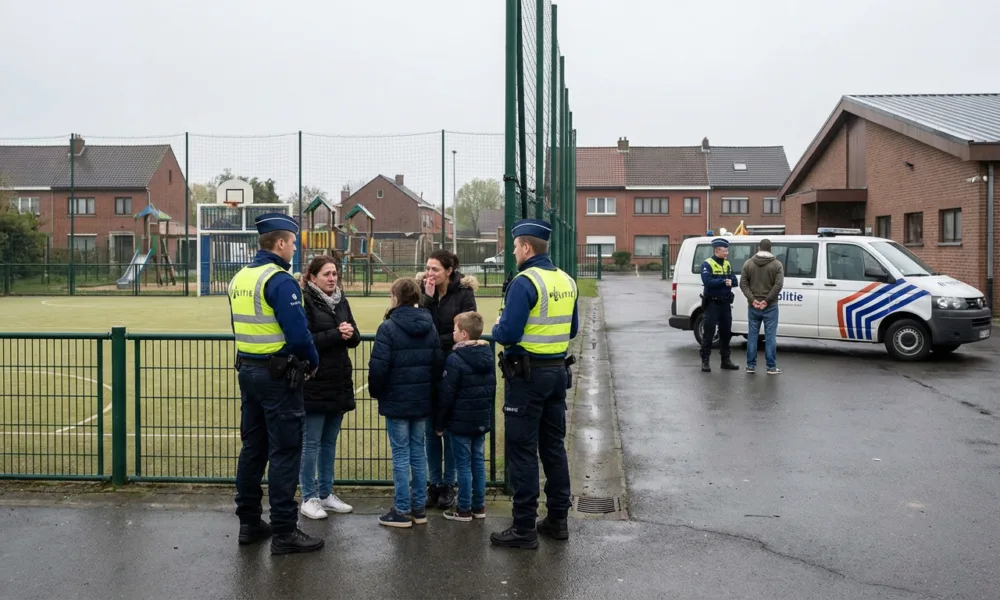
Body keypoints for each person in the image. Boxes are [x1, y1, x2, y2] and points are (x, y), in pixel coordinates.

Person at [229, 212, 323, 555]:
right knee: (285, 451)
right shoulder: (280, 280)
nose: (295, 248)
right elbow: (298, 334)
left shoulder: (240, 277)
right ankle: (284, 530)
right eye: (293, 242)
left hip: (248, 370)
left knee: (253, 448)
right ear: (280, 243)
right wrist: (313, 360)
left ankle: (249, 523)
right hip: (278, 375)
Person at [490, 218, 579, 550]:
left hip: (527, 377)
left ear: (527, 247)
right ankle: (557, 520)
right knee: (553, 448)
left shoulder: (524, 282)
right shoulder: (566, 280)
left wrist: (497, 326)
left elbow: (508, 333)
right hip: (557, 373)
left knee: (523, 451)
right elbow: (571, 329)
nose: (514, 252)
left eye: (515, 247)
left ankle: (524, 527)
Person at [368, 278, 444, 528]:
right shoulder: (430, 326)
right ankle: (418, 508)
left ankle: (401, 509)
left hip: (397, 399)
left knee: (401, 454)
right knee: (418, 453)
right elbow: (437, 364)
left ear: (395, 297)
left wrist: (377, 391)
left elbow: (379, 366)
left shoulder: (388, 327)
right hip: (421, 399)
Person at [299, 255, 361, 520]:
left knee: (329, 442)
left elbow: (355, 337)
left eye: (334, 273)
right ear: (312, 277)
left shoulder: (341, 300)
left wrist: (350, 333)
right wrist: (336, 334)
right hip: (314, 381)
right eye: (326, 274)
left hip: (338, 381)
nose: (332, 278)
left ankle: (326, 493)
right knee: (311, 442)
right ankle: (308, 497)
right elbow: (304, 339)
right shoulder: (305, 301)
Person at [417, 249, 479, 510]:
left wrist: (437, 341)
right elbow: (422, 326)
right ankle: (435, 483)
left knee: (451, 430)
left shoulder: (464, 294)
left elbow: (466, 331)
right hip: (430, 369)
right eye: (427, 268)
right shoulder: (425, 292)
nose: (429, 273)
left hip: (455, 368)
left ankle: (449, 485)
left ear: (449, 271)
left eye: (435, 269)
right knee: (431, 430)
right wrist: (429, 299)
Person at [435, 311, 495, 523]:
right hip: (480, 419)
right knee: (477, 462)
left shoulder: (455, 359)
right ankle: (479, 506)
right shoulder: (487, 355)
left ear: (464, 334)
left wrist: (440, 424)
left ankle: (463, 509)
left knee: (463, 466)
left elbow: (447, 394)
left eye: (455, 330)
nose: (452, 333)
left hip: (460, 422)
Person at [739, 239, 784, 375]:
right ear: (771, 249)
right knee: (770, 337)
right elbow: (778, 285)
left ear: (759, 248)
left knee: (752, 336)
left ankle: (750, 366)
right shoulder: (777, 264)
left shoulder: (748, 263)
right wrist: (766, 301)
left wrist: (753, 300)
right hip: (771, 306)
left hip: (753, 306)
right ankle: (771, 367)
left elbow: (743, 284)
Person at [700, 238, 740, 373]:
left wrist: (728, 281)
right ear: (716, 251)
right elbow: (707, 281)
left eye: (727, 251)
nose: (726, 253)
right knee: (709, 333)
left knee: (726, 333)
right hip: (712, 303)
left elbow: (734, 281)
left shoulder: (727, 264)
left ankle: (725, 361)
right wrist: (724, 281)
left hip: (725, 303)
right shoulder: (707, 264)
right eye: (724, 251)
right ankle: (705, 361)